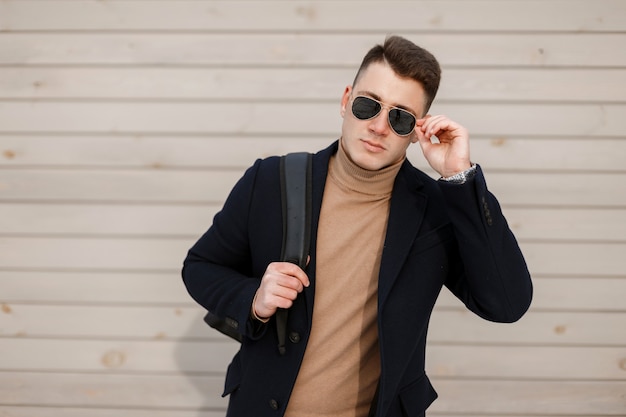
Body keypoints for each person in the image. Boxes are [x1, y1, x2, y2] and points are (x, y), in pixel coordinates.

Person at [182, 35, 532, 417]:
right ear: (346, 100)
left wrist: (460, 178)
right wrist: (254, 299)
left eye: (400, 117)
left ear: (417, 130)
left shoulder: (436, 209)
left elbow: (507, 304)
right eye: (368, 105)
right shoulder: (271, 180)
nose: (380, 126)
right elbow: (200, 267)